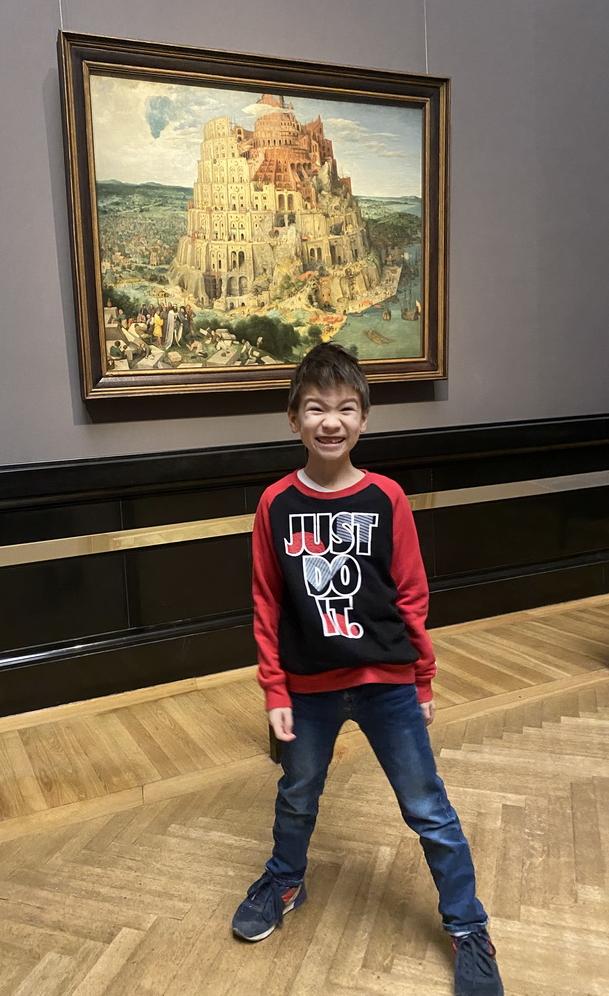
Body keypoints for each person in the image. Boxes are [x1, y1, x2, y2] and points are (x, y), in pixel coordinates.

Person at [231, 343, 504, 996]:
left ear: (364, 420)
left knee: (428, 810)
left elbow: (411, 596)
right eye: (317, 408)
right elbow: (266, 603)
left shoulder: (387, 498)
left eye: (346, 408)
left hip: (386, 685)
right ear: (293, 418)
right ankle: (285, 879)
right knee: (297, 798)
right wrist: (274, 688)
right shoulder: (275, 505)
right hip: (307, 690)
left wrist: (423, 680)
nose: (332, 421)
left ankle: (468, 928)